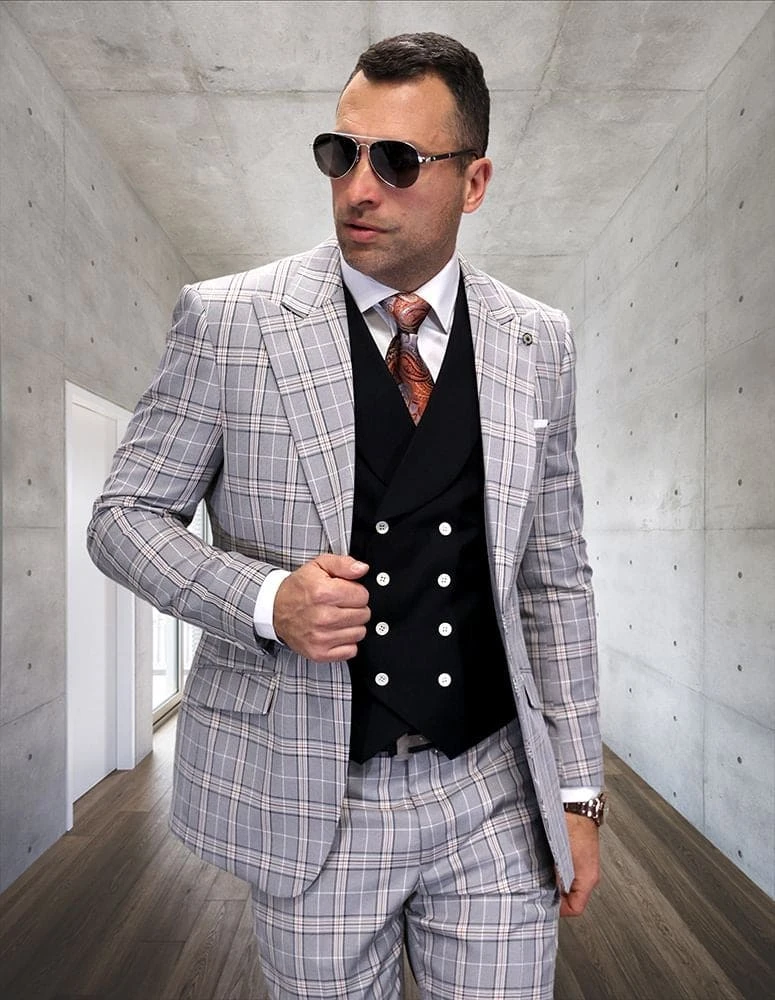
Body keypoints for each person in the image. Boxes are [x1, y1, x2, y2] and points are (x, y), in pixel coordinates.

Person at [88, 31, 604, 1000]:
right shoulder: (229, 320)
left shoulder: (539, 340)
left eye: (398, 160)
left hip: (492, 786)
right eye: (342, 153)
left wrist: (578, 794)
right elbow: (123, 517)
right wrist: (264, 599)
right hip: (315, 797)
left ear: (473, 181)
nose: (359, 188)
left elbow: (555, 580)